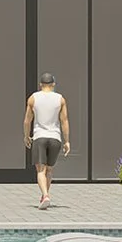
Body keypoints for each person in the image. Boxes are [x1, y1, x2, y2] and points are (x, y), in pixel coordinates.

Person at [24, 73, 71, 209]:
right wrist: (67, 141)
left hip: (39, 137)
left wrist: (26, 136)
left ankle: (45, 195)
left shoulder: (33, 98)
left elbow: (27, 121)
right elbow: (64, 121)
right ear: (53, 84)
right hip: (55, 137)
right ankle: (46, 195)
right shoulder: (60, 99)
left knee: (40, 170)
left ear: (40, 84)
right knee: (49, 170)